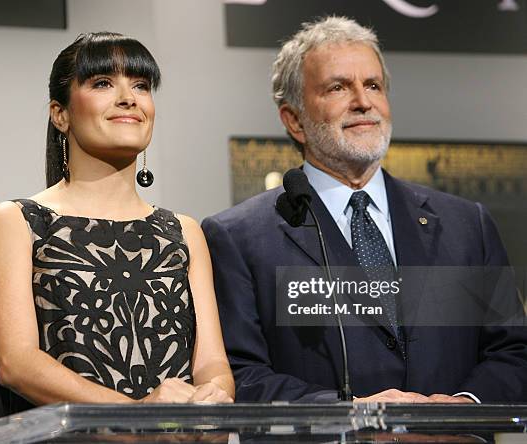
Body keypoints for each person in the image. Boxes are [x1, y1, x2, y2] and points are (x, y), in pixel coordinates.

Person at [201, 17, 527, 403]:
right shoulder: (239, 237)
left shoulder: (466, 224)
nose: (363, 101)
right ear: (294, 119)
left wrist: (462, 406)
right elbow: (243, 375)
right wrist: (348, 413)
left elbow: (514, 352)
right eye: (338, 87)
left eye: (373, 85)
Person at [0, 32, 234, 421]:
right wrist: (135, 417)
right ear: (60, 114)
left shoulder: (183, 231)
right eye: (102, 83)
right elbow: (16, 362)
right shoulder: (16, 221)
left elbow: (211, 361)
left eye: (141, 85)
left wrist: (213, 400)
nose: (128, 97)